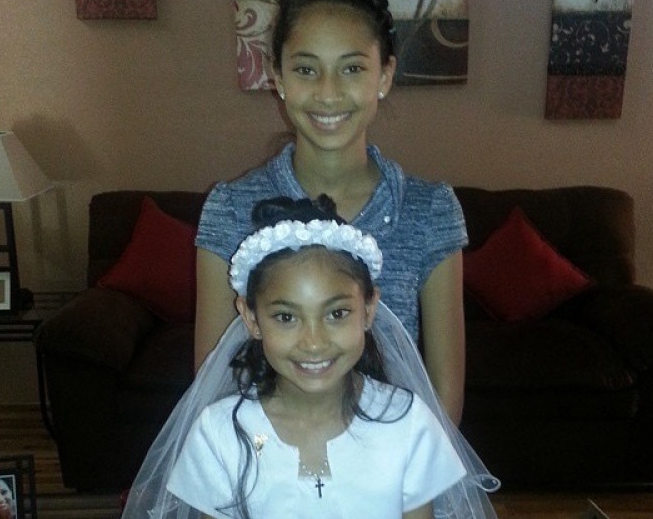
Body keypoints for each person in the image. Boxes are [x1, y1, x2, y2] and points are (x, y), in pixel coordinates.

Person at [122, 197, 498, 518]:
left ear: (368, 310)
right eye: (286, 317)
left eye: (337, 313)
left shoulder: (407, 424)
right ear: (251, 318)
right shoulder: (219, 434)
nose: (314, 343)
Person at [195, 0, 469, 424]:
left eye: (352, 68)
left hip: (396, 458)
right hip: (267, 459)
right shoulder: (229, 209)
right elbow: (213, 389)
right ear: (278, 77)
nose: (328, 92)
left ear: (384, 76)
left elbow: (444, 402)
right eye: (306, 69)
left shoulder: (430, 210)